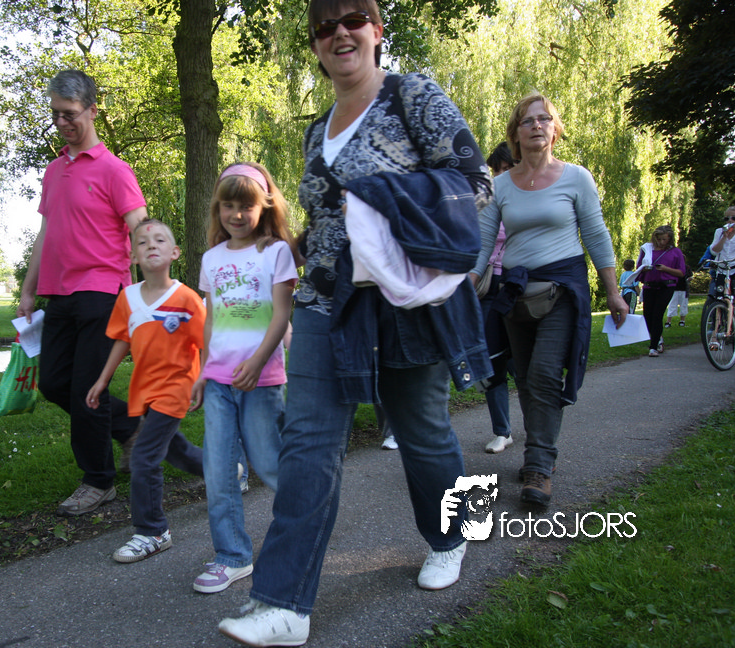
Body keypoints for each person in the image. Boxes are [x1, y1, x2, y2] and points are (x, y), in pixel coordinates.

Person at [217, 1, 493, 645]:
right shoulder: (317, 130)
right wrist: (295, 247)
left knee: (422, 431)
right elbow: (328, 219)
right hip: (327, 302)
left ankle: (451, 536)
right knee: (309, 442)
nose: (339, 32)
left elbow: (474, 182)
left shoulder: (412, 96)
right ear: (315, 44)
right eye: (324, 25)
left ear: (376, 30)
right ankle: (283, 605)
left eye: (353, 18)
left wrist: (381, 195)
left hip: (405, 298)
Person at [471, 92, 628, 509]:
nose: (537, 125)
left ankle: (539, 465)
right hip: (515, 294)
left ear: (555, 129)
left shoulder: (577, 178)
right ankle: (539, 451)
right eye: (528, 120)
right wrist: (467, 283)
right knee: (524, 377)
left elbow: (595, 235)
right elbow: (483, 243)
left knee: (543, 373)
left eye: (544, 119)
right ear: (516, 133)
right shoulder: (500, 185)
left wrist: (613, 292)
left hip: (563, 291)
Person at [17, 69, 148, 517]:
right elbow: (46, 233)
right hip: (59, 293)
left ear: (92, 110)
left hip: (103, 290)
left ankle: (98, 481)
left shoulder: (115, 170)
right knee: (54, 383)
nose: (62, 122)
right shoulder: (54, 171)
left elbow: (140, 227)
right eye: (55, 114)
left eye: (69, 114)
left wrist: (150, 288)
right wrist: (28, 291)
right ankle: (130, 426)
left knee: (87, 390)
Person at [188, 162, 297, 594]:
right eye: (228, 205)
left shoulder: (276, 252)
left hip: (261, 380)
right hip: (218, 381)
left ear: (263, 207)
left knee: (270, 464)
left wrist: (257, 362)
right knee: (218, 472)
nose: (236, 214)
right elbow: (211, 319)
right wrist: (202, 372)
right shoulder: (211, 259)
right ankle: (232, 556)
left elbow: (282, 314)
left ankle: (304, 532)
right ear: (218, 209)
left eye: (246, 206)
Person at [86, 219, 205, 563]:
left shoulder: (186, 299)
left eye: (160, 240)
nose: (151, 244)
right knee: (174, 449)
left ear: (175, 252)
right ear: (133, 257)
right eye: (142, 242)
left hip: (177, 387)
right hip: (145, 389)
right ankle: (224, 473)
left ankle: (153, 530)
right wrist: (102, 380)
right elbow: (123, 340)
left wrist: (206, 378)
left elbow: (207, 340)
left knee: (143, 455)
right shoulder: (127, 298)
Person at [478, 142, 516, 455]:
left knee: (522, 361)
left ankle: (540, 428)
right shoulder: (486, 199)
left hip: (518, 285)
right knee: (492, 359)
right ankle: (502, 431)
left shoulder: (531, 199)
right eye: (497, 170)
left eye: (508, 168)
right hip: (488, 286)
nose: (501, 175)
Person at [637, 226, 685, 357]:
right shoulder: (647, 249)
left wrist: (665, 269)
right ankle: (658, 338)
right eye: (659, 239)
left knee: (657, 314)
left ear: (670, 239)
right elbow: (639, 267)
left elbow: (681, 272)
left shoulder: (675, 252)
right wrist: (645, 269)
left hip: (666, 286)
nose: (661, 242)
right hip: (649, 286)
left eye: (664, 239)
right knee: (647, 316)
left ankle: (653, 347)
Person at [709, 205, 735, 300]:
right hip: (723, 267)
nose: (730, 221)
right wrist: (724, 237)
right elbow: (714, 252)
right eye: (727, 219)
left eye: (734, 218)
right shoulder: (719, 232)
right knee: (719, 292)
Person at [664, 260, 690, 327]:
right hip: (674, 289)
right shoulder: (673, 268)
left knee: (683, 305)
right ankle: (668, 321)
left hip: (684, 289)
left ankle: (682, 321)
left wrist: (688, 279)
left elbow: (690, 276)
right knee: (672, 305)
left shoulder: (686, 267)